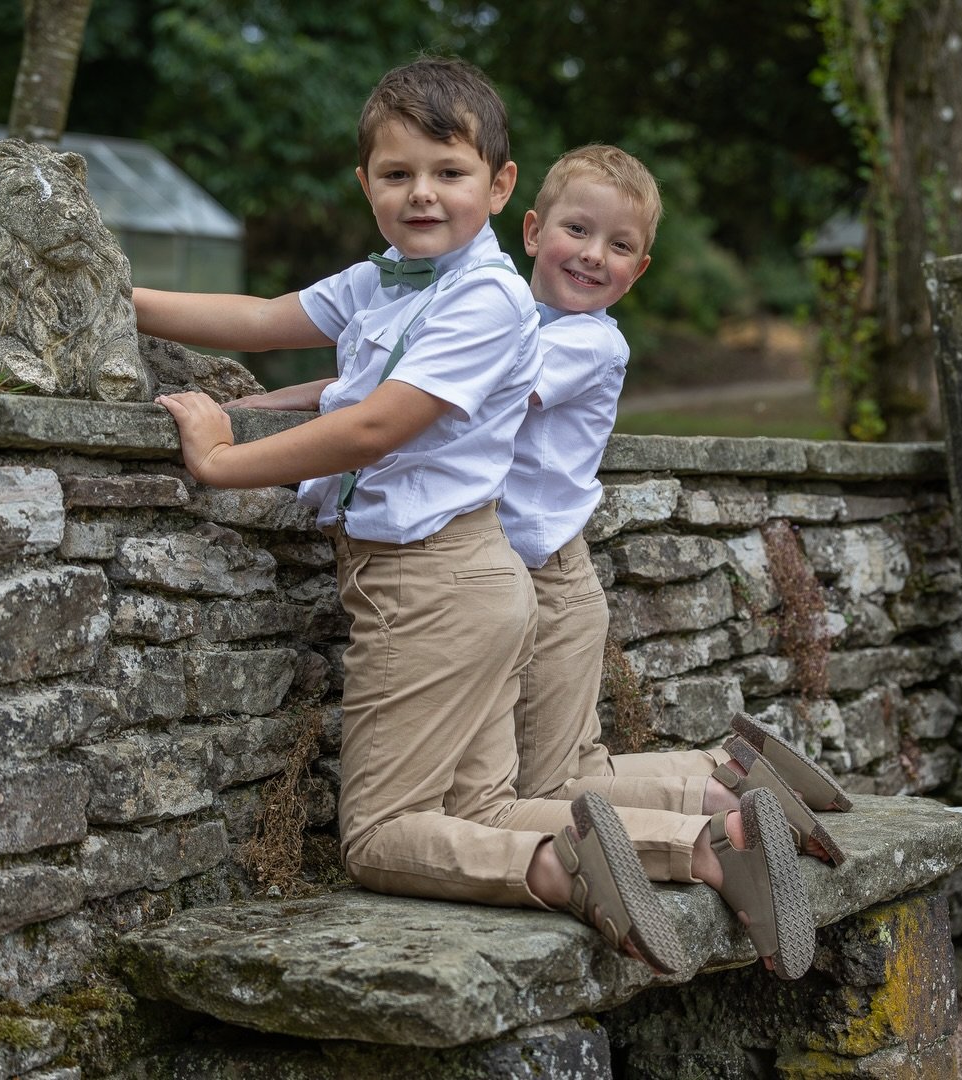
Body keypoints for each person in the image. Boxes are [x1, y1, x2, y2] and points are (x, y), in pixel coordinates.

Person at [139, 59, 813, 980]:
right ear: (365, 184)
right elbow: (260, 317)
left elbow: (378, 423)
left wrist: (223, 462)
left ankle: (565, 868)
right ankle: (710, 839)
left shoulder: (495, 302)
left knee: (380, 835)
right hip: (475, 577)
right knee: (491, 803)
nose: (420, 193)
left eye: (447, 173)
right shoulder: (386, 279)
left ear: (499, 189)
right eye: (396, 174)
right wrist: (117, 297)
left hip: (433, 577)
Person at [501, 145, 854, 871]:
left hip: (549, 583)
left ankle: (727, 820)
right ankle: (725, 773)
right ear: (533, 230)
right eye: (578, 231)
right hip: (529, 577)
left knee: (547, 784)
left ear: (639, 271)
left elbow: (478, 390)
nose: (594, 255)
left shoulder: (589, 341)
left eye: (620, 245)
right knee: (574, 769)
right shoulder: (517, 321)